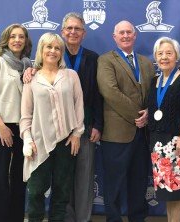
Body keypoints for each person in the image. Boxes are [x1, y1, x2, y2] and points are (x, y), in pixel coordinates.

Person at [20, 32, 84, 221]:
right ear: (41, 49)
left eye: (57, 48)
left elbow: (78, 105)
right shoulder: (31, 78)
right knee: (35, 192)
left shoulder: (71, 76)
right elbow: (25, 114)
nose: (53, 51)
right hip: (39, 144)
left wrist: (77, 134)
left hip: (66, 142)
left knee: (62, 192)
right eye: (49, 47)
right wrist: (27, 140)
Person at [97, 20, 155, 222]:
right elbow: (110, 92)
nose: (125, 35)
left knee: (139, 182)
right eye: (121, 32)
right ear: (114, 37)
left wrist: (149, 112)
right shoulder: (106, 60)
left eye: (129, 32)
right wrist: (138, 115)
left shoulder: (146, 62)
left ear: (135, 35)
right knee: (114, 184)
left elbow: (153, 94)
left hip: (142, 134)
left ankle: (137, 218)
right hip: (116, 134)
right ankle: (113, 219)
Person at [147, 37, 180, 222]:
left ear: (176, 56)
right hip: (157, 143)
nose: (164, 57)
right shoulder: (155, 81)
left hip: (177, 141)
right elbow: (156, 107)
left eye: (169, 53)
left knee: (178, 189)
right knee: (167, 190)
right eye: (160, 54)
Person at [60, 12, 103, 222]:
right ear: (62, 32)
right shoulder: (53, 55)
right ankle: (67, 218)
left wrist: (97, 124)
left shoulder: (93, 58)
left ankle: (83, 219)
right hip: (59, 126)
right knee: (62, 176)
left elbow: (98, 94)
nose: (73, 32)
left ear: (84, 33)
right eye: (69, 28)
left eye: (77, 28)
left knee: (85, 176)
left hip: (85, 125)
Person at [0, 23, 32, 222]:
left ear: (26, 41)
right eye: (13, 36)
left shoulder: (29, 66)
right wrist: (0, 125)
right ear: (7, 40)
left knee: (20, 177)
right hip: (1, 126)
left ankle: (16, 217)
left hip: (23, 129)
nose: (17, 40)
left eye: (21, 37)